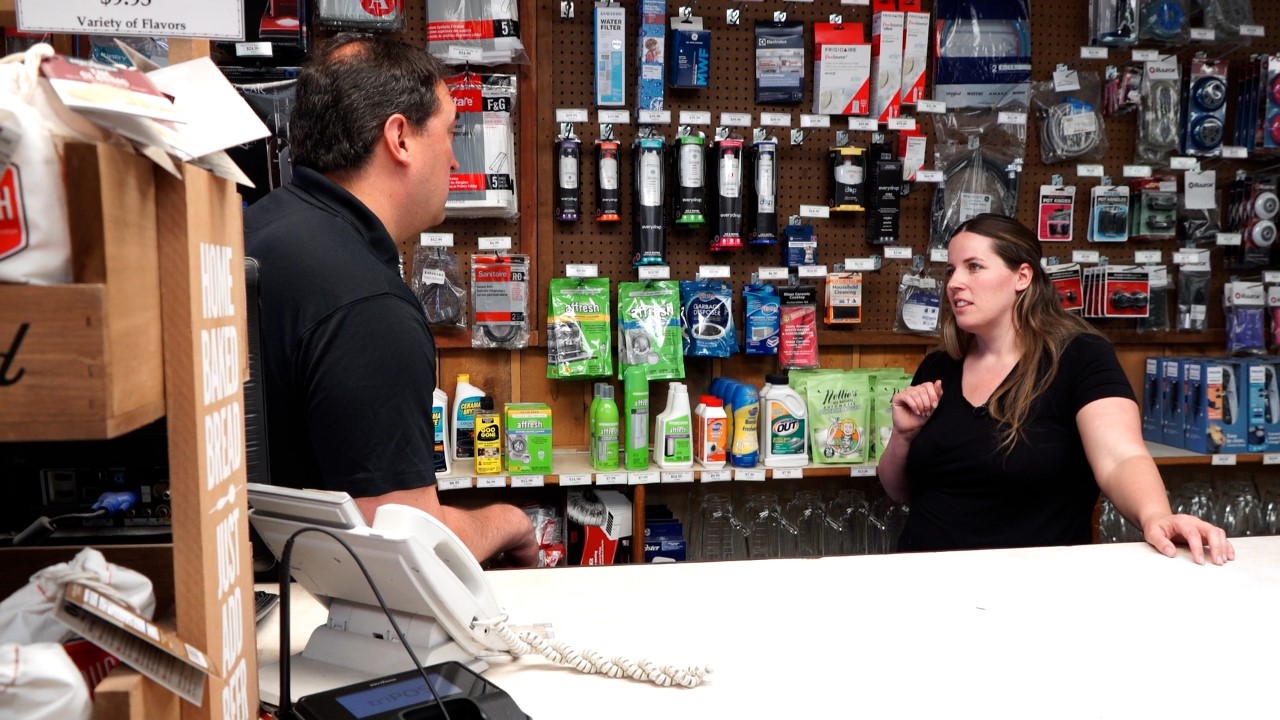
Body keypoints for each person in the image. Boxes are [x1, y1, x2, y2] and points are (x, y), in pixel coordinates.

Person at [244, 33, 538, 566]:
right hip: (302, 617)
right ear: (400, 138)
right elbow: (403, 540)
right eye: (450, 133)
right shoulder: (367, 306)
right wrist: (512, 523)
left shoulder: (259, 227)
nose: (454, 159)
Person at [878, 214, 1234, 565]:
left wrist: (1155, 515)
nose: (954, 282)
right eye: (951, 270)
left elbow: (1121, 457)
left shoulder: (1079, 357)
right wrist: (904, 437)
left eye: (973, 266)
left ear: (1022, 276)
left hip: (1037, 589)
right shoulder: (939, 365)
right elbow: (900, 491)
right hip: (923, 580)